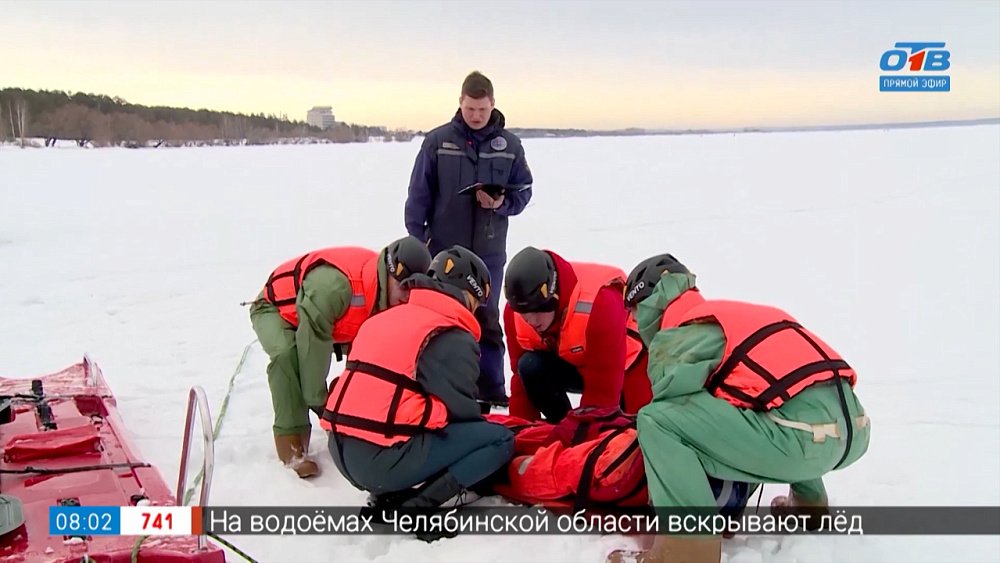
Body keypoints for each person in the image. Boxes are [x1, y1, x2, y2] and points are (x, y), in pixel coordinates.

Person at [606, 254, 871, 563]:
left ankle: (685, 551)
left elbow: (671, 409)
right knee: (777, 402)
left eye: (636, 313)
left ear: (651, 303)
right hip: (854, 432)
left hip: (796, 445)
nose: (635, 324)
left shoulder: (684, 331)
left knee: (656, 420)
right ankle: (811, 506)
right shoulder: (737, 315)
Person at [323, 245, 515, 518]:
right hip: (380, 462)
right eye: (474, 304)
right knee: (499, 440)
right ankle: (419, 505)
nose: (474, 313)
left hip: (340, 451)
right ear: (465, 294)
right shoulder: (450, 335)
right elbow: (460, 413)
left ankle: (392, 491)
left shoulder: (382, 318)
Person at [249, 236, 431, 478]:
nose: (407, 296)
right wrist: (321, 403)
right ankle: (292, 442)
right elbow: (313, 344)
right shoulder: (335, 287)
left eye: (413, 289)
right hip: (277, 310)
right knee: (287, 356)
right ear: (389, 274)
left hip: (335, 324)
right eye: (403, 287)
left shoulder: (385, 295)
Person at [404, 71, 534, 409]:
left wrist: (501, 203)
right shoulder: (437, 142)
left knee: (488, 319)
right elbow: (418, 196)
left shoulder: (510, 147)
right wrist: (418, 244)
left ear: (493, 105)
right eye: (470, 109)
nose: (476, 116)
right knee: (440, 320)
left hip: (489, 252)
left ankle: (491, 389)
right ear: (460, 103)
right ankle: (438, 390)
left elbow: (524, 192)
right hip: (443, 251)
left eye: (482, 110)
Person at [502, 246, 647, 423]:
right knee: (530, 367)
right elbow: (520, 382)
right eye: (523, 312)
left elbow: (602, 398)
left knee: (631, 431)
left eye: (537, 310)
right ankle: (561, 423)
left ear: (553, 298)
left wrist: (582, 433)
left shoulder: (601, 303)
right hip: (575, 360)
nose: (530, 320)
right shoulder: (515, 311)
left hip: (627, 368)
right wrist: (518, 430)